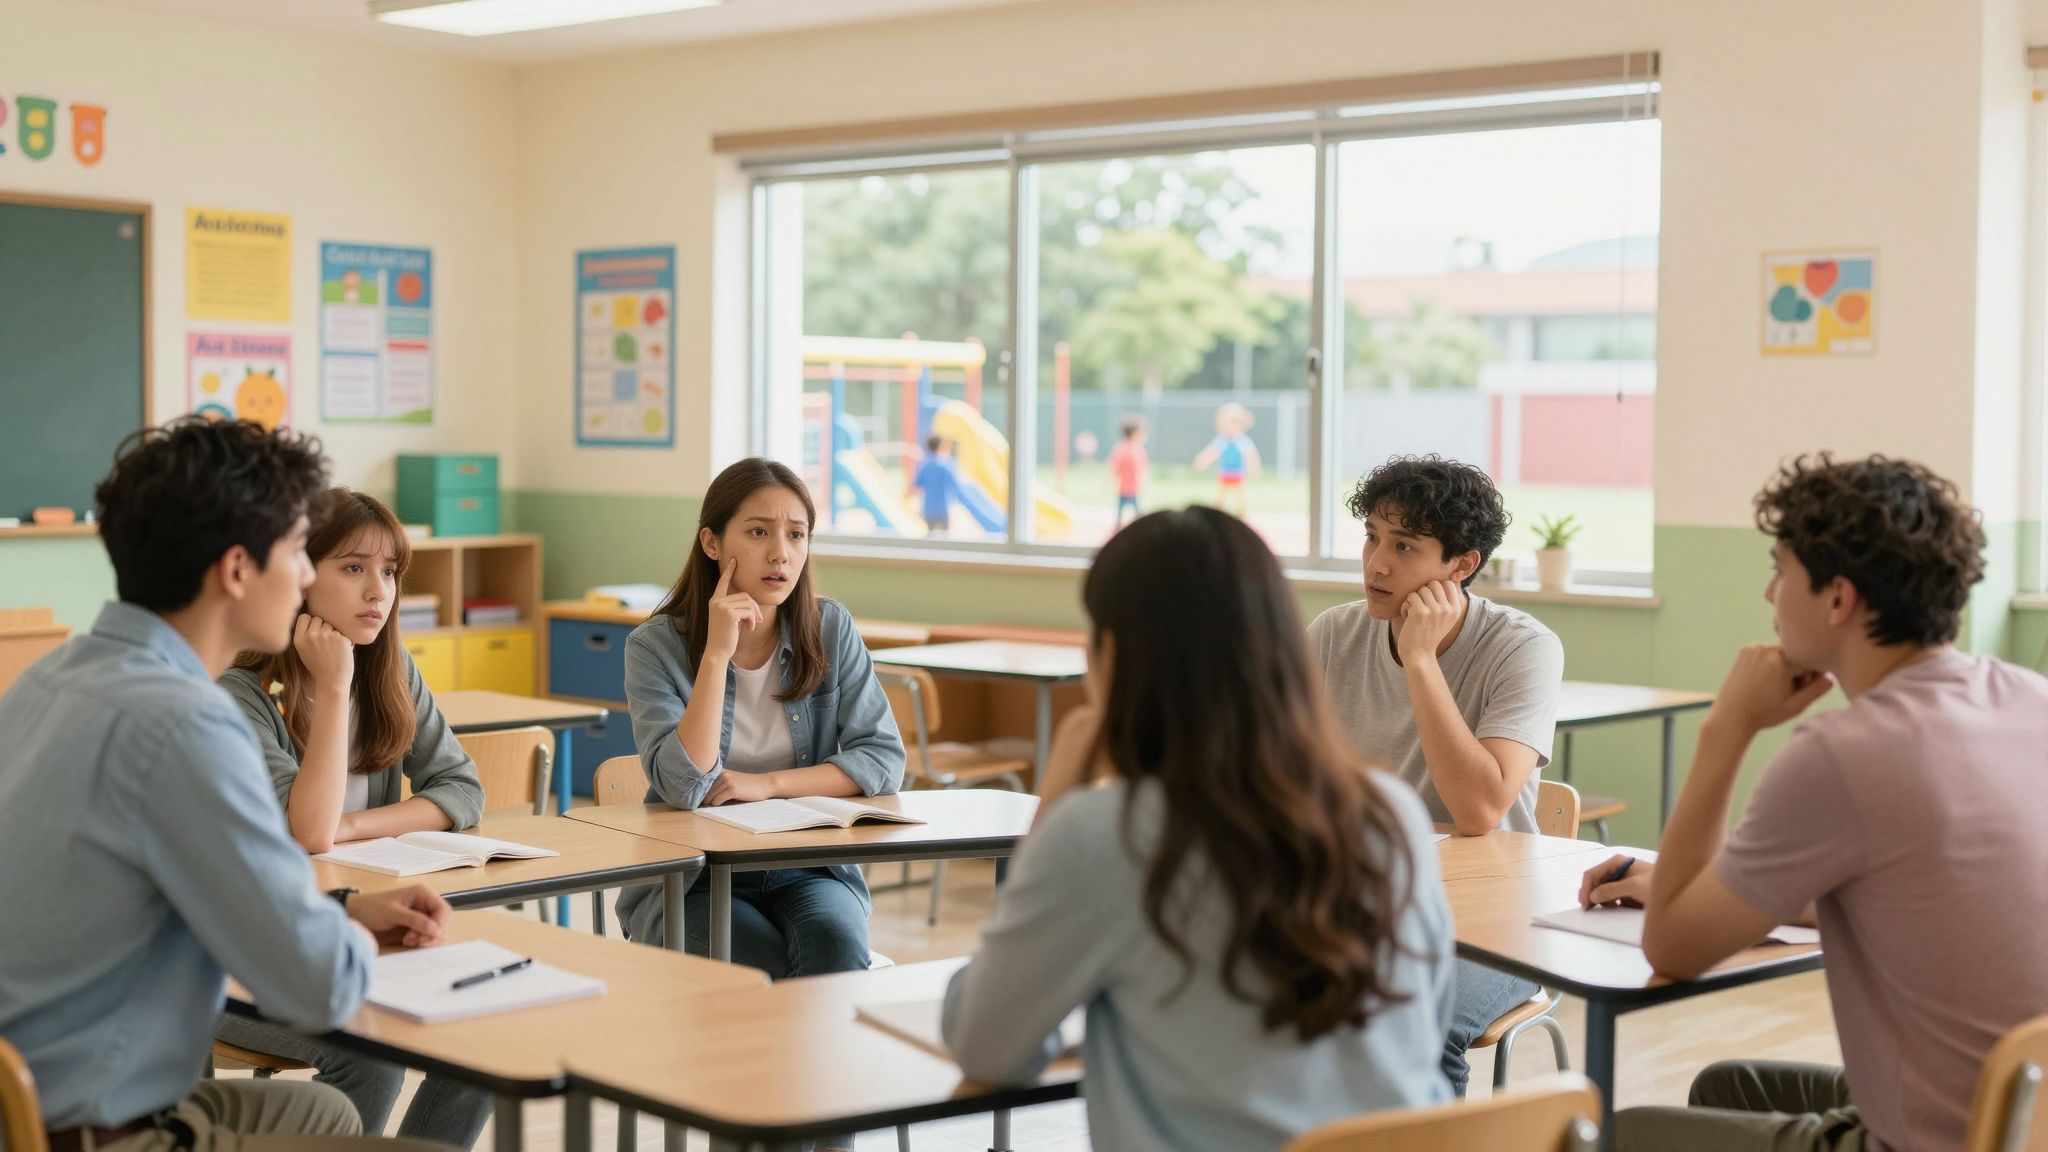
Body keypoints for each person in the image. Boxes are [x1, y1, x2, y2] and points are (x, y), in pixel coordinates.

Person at [0, 417, 454, 1152]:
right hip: (98, 1130)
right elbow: (320, 989)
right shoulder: (187, 724)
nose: (304, 577)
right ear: (238, 570)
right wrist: (343, 939)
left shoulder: (49, 677)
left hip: (30, 1096)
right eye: (296, 552)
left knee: (329, 1117)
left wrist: (342, 908)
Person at [943, 507, 1455, 1151]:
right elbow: (1429, 1023)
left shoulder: (1104, 833)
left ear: (1111, 656)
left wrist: (1053, 811)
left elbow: (986, 1046)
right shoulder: (1391, 812)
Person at [1581, 454, 2048, 1152]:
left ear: (1838, 599)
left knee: (1623, 1134)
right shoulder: (2028, 697)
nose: (1769, 593)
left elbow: (1671, 948)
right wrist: (1702, 888)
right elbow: (1909, 889)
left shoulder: (1843, 754)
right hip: (2029, 1115)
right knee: (1730, 1085)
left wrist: (1726, 728)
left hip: (1943, 1141)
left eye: (1781, 571)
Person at [214, 488, 492, 1147]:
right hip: (241, 964)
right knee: (371, 1055)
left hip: (358, 927)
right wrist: (334, 686)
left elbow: (461, 788)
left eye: (389, 572)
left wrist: (357, 827)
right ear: (300, 574)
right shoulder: (241, 694)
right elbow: (310, 832)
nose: (378, 591)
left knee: (482, 1038)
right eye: (353, 568)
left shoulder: (390, 669)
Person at [1306, 455, 1563, 1096]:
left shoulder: (1523, 647)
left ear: (1461, 565)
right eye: (1371, 537)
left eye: (1404, 547)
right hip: (1362, 901)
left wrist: (1420, 659)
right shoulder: (1333, 635)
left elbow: (1479, 811)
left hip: (1497, 919)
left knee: (1418, 1023)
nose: (1376, 564)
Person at [614, 456, 905, 976]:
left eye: (796, 535)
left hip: (808, 865)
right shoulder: (654, 646)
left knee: (837, 946)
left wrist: (767, 784)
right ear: (712, 543)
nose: (780, 553)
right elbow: (683, 786)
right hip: (695, 875)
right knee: (753, 962)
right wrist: (715, 656)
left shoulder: (830, 628)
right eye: (758, 532)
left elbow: (883, 759)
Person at [1193, 402, 1260, 517]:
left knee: (1239, 496)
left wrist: (1253, 467)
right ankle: (1216, 514)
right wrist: (1202, 461)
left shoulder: (1242, 441)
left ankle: (1241, 514)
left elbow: (1250, 455)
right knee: (1220, 496)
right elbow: (1212, 452)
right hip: (1224, 473)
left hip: (1237, 473)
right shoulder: (1221, 440)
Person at [909, 435, 963, 535]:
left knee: (930, 536)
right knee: (945, 536)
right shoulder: (946, 464)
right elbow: (954, 483)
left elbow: (917, 483)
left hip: (928, 507)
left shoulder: (924, 465)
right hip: (942, 507)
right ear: (940, 446)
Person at [1105, 415, 1149, 528]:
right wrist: (1143, 485)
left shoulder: (1119, 449)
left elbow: (1113, 469)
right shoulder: (1137, 451)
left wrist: (1108, 483)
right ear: (1135, 434)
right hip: (1133, 489)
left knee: (1120, 512)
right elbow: (1140, 472)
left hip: (1122, 489)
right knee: (1137, 512)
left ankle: (1118, 526)